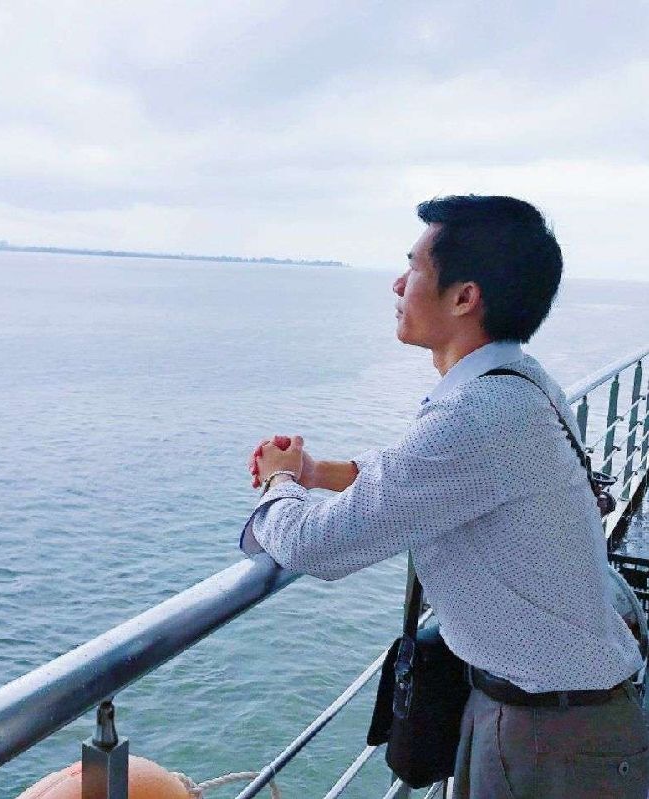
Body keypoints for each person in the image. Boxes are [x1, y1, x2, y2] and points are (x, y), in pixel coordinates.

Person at [241, 195, 649, 798]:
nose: (397, 284)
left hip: (549, 736)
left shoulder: (478, 414)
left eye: (413, 268)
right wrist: (320, 472)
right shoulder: (519, 381)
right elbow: (424, 477)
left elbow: (315, 546)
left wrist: (279, 481)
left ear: (464, 298)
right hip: (553, 710)